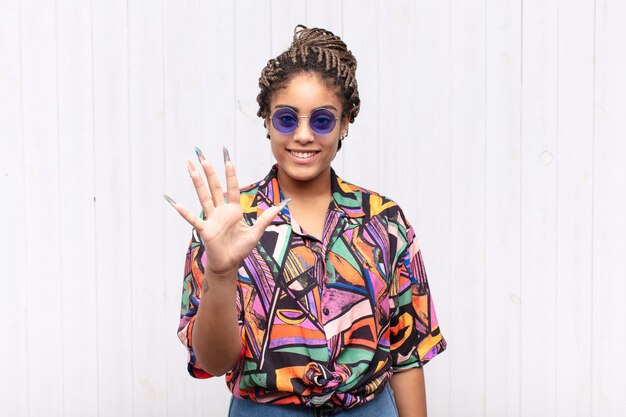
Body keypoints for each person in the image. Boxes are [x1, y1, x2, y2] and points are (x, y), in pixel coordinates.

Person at [164, 25, 446, 417]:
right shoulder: (226, 224)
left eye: (322, 121)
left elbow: (407, 355)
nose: (302, 135)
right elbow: (214, 363)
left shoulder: (385, 222)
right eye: (286, 119)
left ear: (345, 123)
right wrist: (222, 272)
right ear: (266, 121)